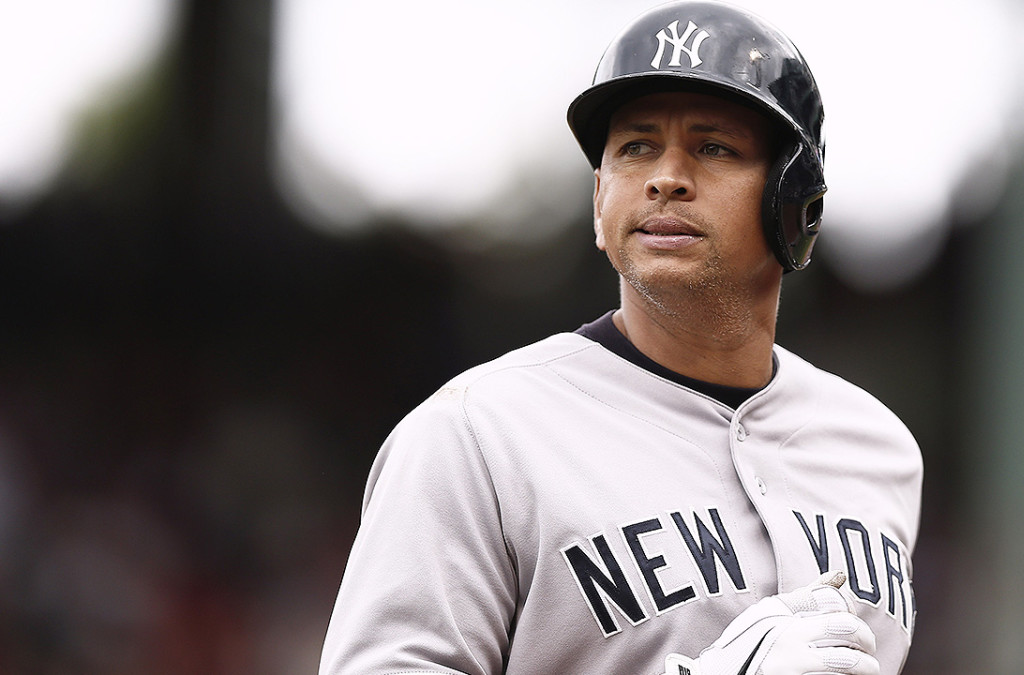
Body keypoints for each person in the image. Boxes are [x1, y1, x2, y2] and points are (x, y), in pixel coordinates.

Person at [318, 2, 922, 674]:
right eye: (636, 146)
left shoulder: (880, 450)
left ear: (796, 198)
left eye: (713, 146)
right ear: (601, 198)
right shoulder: (476, 435)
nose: (665, 176)